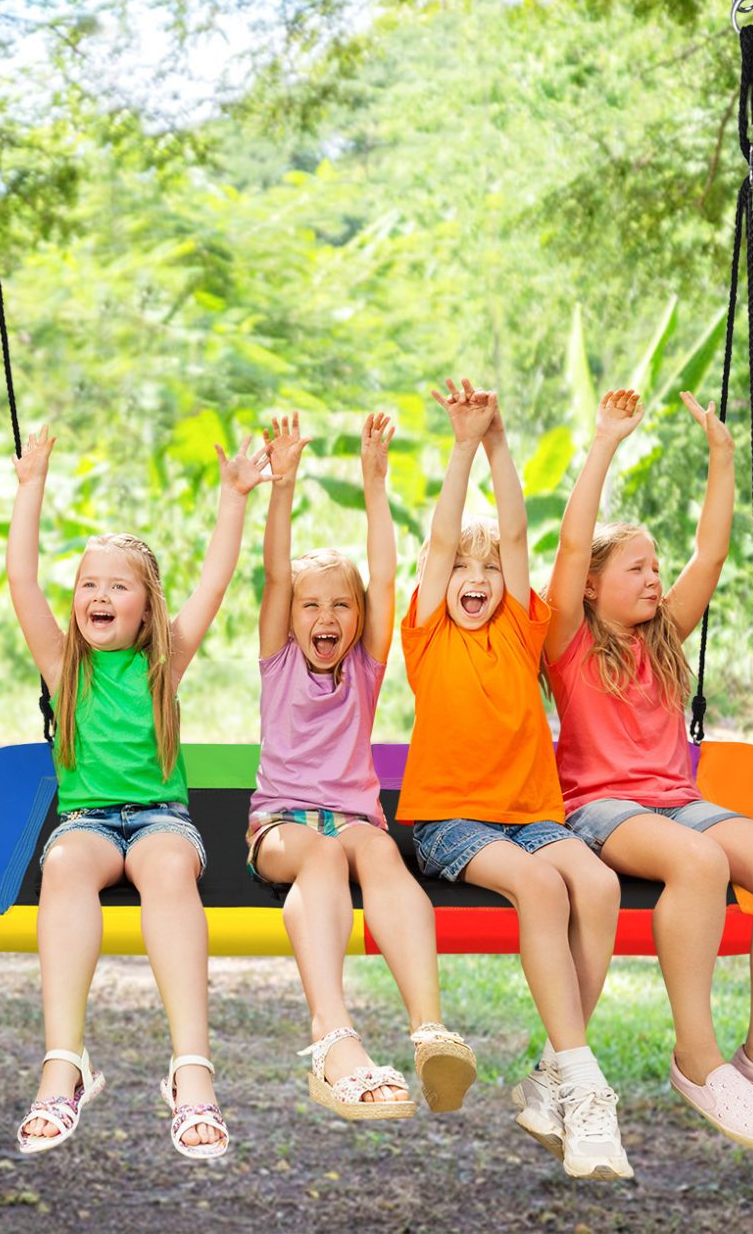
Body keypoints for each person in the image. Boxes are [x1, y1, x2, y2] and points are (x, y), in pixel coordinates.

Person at [545, 387, 753, 1153]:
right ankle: (697, 1058)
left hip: (679, 801)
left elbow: (712, 551)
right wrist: (605, 441)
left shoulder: (666, 637)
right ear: (591, 586)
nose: (655, 579)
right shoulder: (570, 642)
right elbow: (574, 546)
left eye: (656, 568)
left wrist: (722, 456)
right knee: (702, 862)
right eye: (637, 568)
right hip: (603, 811)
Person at [7, 424, 272, 1158]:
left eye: (117, 586)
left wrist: (234, 497)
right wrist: (31, 489)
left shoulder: (164, 665)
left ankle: (192, 1073)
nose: (99, 595)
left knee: (166, 870)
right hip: (86, 823)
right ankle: (64, 1065)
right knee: (61, 867)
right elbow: (22, 582)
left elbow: (214, 581)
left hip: (161, 821)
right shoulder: (62, 664)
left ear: (146, 608)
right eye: (89, 585)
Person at [399, 378, 632, 1181]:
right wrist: (464, 445)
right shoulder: (428, 634)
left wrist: (501, 444)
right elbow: (439, 547)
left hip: (532, 816)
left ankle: (552, 1074)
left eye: (488, 569)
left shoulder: (520, 630)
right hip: (450, 821)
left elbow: (519, 531)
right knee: (542, 888)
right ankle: (585, 1081)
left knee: (594, 886)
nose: (475, 576)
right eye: (464, 568)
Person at [248, 409, 478, 1120]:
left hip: (354, 819)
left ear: (356, 617)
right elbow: (276, 573)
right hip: (282, 825)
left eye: (340, 606)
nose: (326, 617)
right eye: (310, 605)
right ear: (290, 618)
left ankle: (428, 1029)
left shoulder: (367, 667)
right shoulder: (280, 657)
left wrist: (374, 483)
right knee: (318, 857)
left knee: (381, 856)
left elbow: (385, 576)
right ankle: (332, 1036)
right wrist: (281, 485)